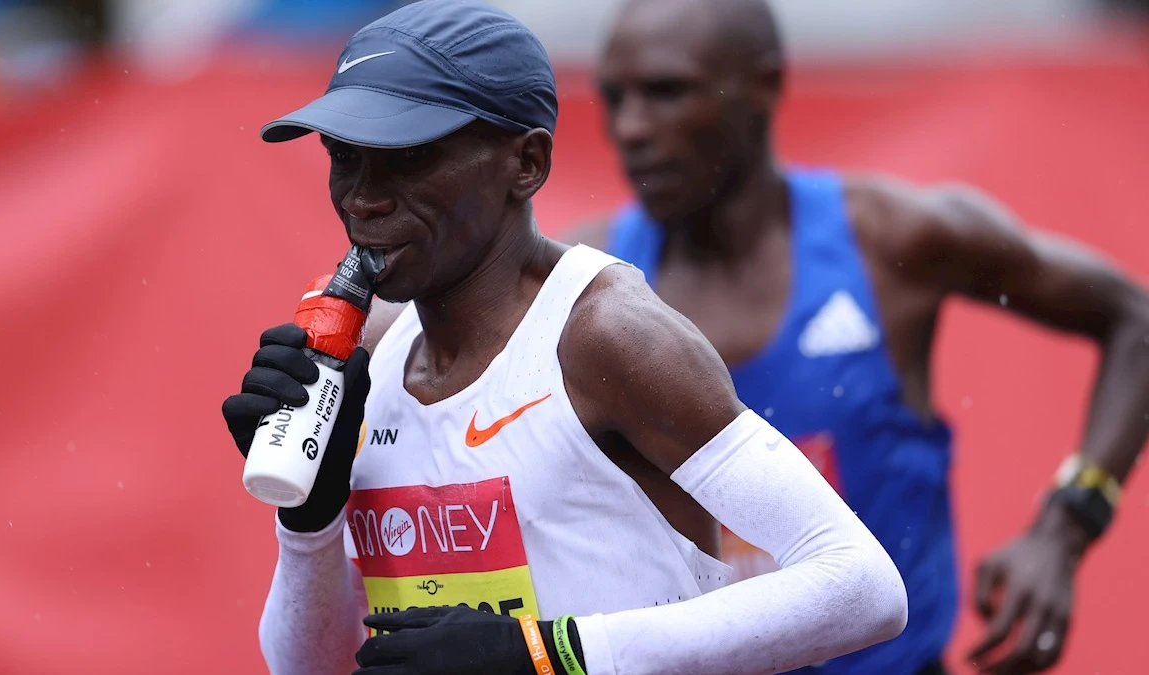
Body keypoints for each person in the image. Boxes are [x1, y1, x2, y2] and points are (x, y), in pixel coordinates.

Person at [220, 1, 909, 674]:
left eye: (406, 158)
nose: (363, 197)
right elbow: (311, 664)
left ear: (527, 162)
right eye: (345, 156)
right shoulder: (366, 357)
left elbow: (863, 587)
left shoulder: (607, 335)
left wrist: (550, 651)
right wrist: (310, 520)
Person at [564, 0, 1149, 674]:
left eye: (667, 91)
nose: (630, 127)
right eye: (613, 96)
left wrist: (1067, 524)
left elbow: (1133, 319)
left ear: (766, 84)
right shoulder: (583, 285)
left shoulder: (893, 242)